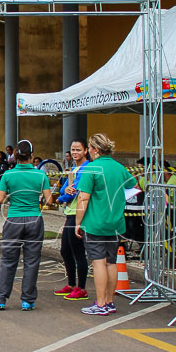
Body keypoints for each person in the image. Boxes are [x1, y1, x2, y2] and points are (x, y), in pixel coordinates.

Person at [74, 134, 137, 315]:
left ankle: (100, 304)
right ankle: (109, 301)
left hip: (95, 222)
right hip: (116, 222)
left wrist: (78, 223)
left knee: (98, 262)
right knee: (111, 262)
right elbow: (133, 184)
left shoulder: (92, 168)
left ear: (94, 149)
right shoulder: (119, 168)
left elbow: (83, 198)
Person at [0, 140, 52, 311]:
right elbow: (49, 199)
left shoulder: (8, 175)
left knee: (9, 260)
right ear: (32, 155)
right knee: (32, 260)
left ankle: (0, 299)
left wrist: (12, 196)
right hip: (34, 219)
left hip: (14, 219)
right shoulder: (40, 175)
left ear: (15, 156)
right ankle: (28, 300)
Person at [55, 139, 91, 301]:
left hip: (78, 213)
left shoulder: (86, 168)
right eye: (73, 150)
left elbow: (72, 192)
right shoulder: (73, 169)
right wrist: (65, 194)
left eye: (78, 150)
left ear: (85, 151)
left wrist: (62, 198)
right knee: (65, 250)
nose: (75, 153)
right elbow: (65, 188)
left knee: (78, 252)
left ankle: (81, 287)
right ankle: (71, 284)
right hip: (70, 212)